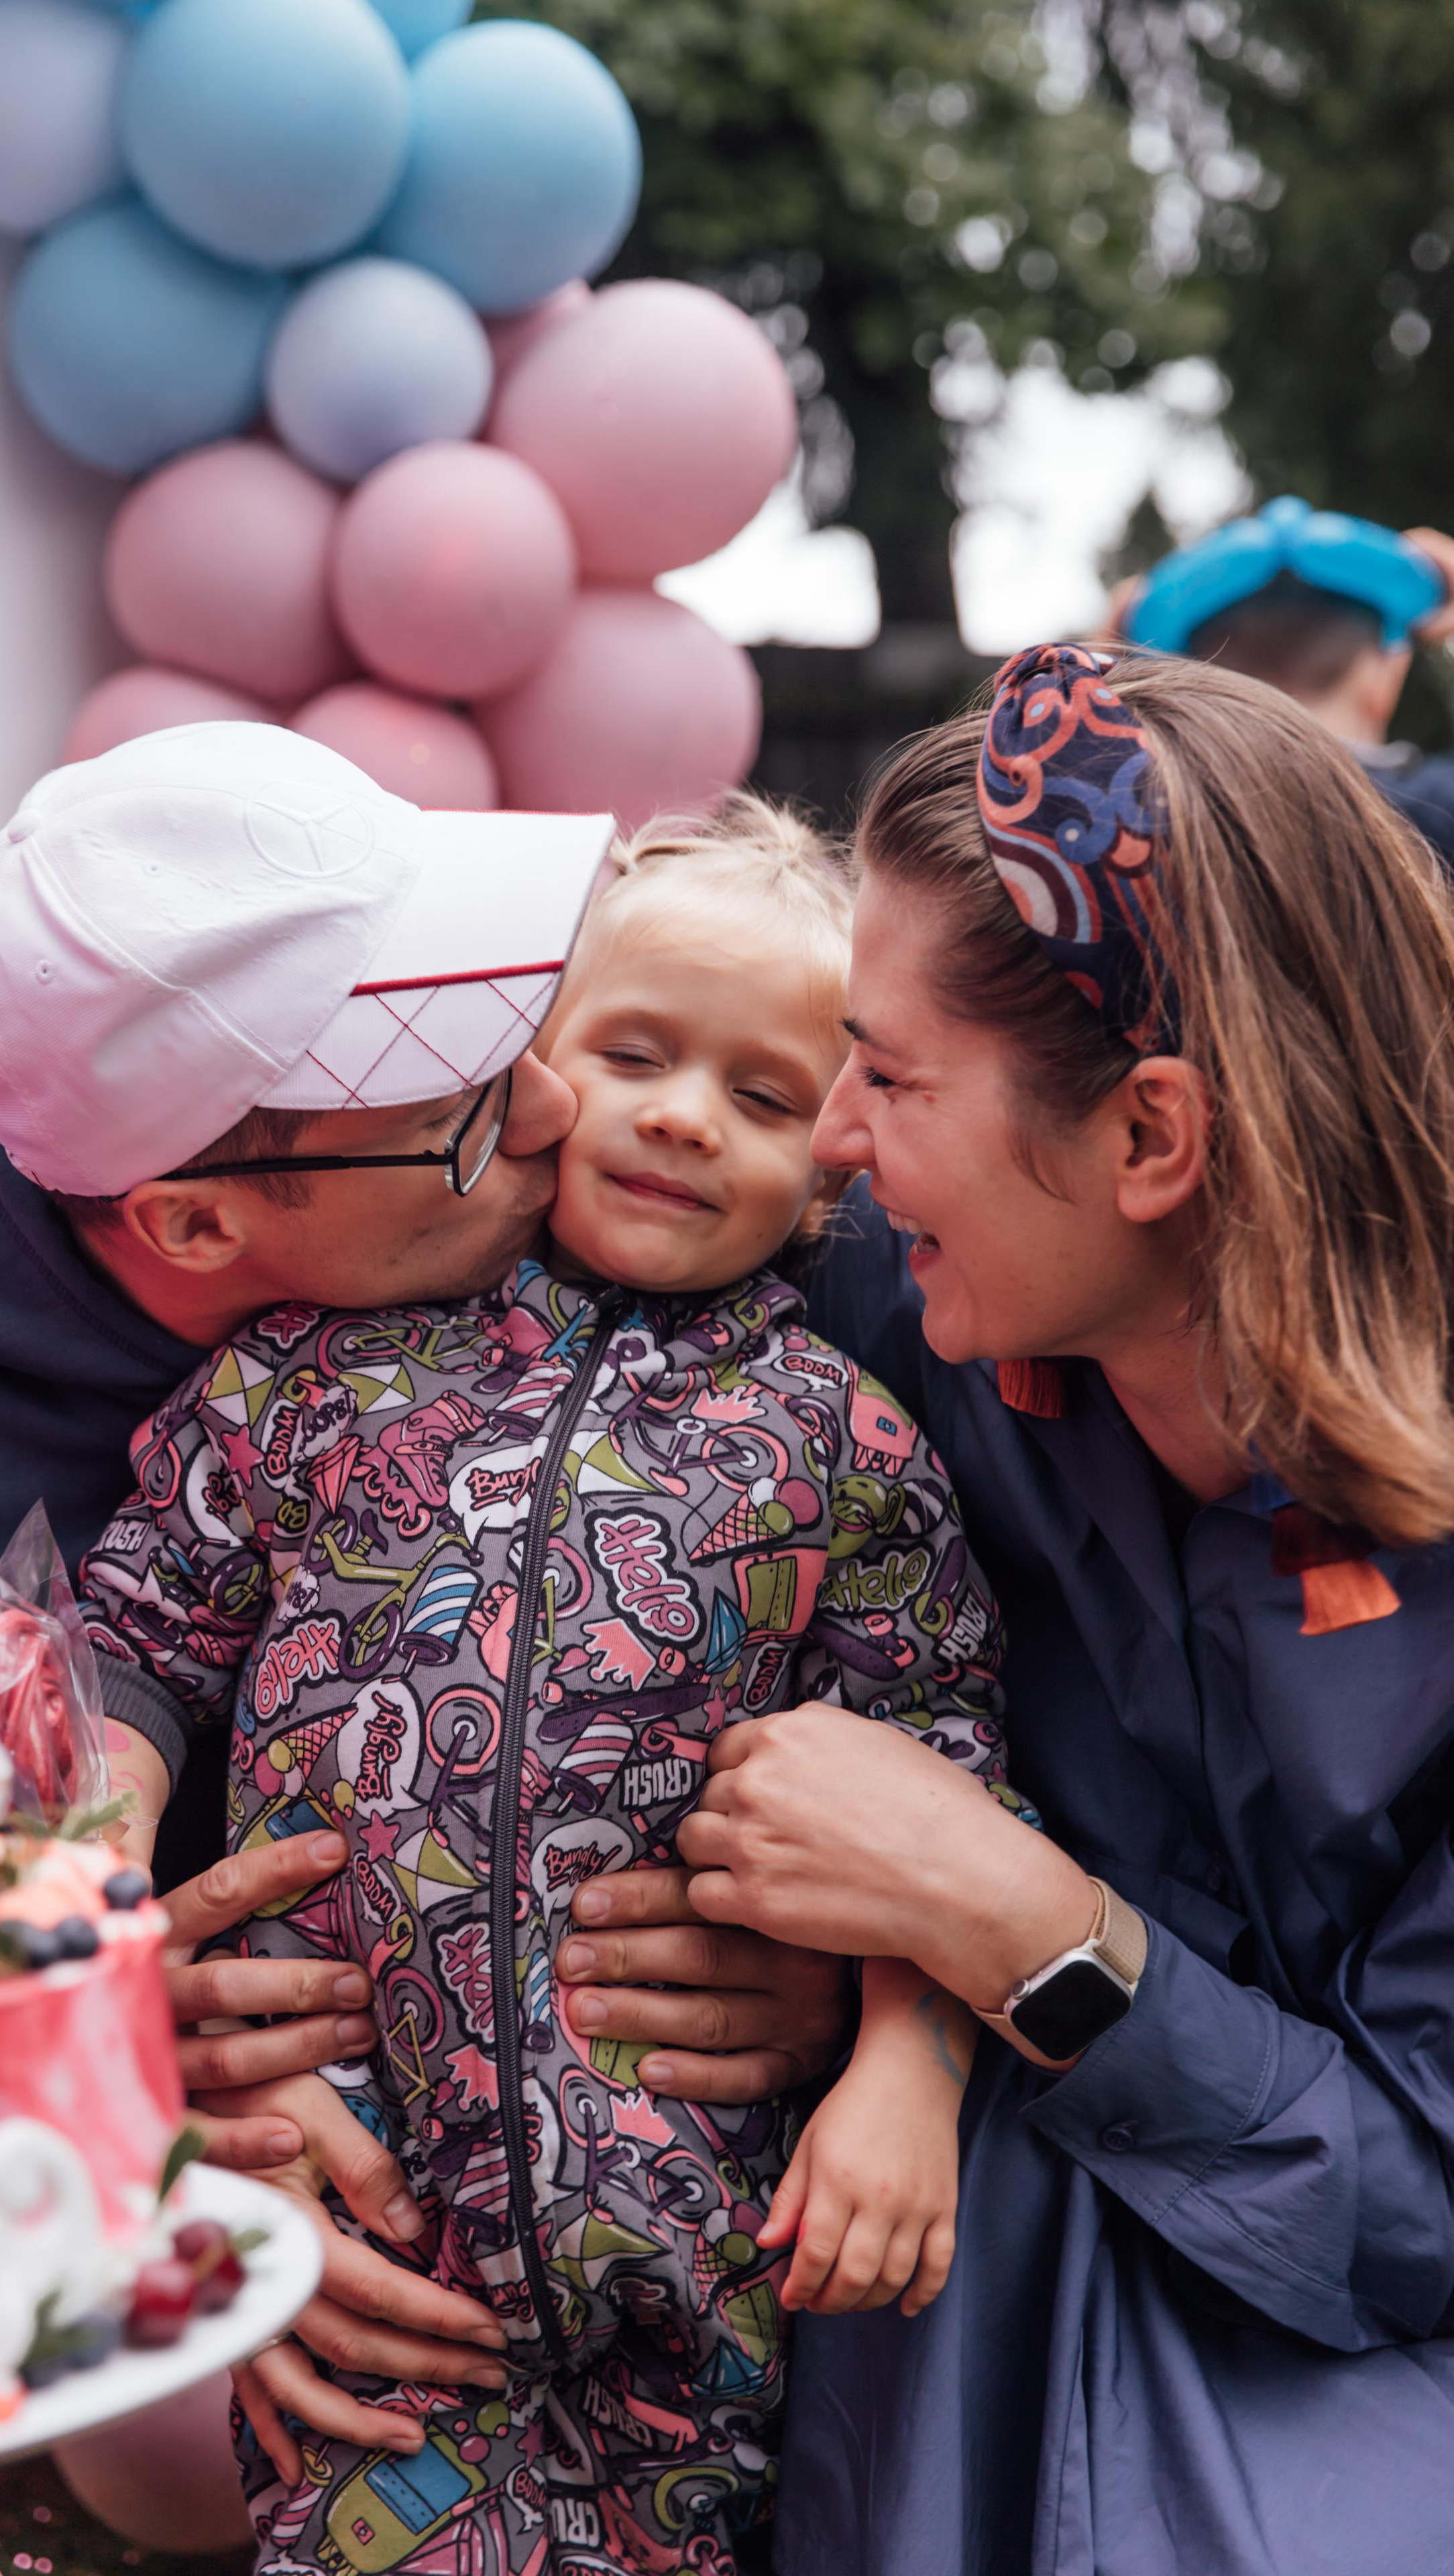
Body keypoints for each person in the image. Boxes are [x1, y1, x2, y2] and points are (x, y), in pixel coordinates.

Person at [77, 800, 1021, 2575]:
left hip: (699, 2238)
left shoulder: (846, 1440)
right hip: (361, 2206)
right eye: (635, 1053)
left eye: (762, 1094)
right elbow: (133, 1628)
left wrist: (906, 2069)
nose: (685, 1114)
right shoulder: (311, 1370)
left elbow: (941, 1759)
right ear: (527, 1073)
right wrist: (93, 1900)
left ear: (832, 1160)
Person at [670, 644, 1454, 2574]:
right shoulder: (878, 1305)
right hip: (938, 2254)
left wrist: (1013, 1920)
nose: (827, 1138)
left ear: (1151, 1140)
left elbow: (1420, 2202)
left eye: (891, 1075)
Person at [1119, 494, 1454, 863]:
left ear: (1194, 691)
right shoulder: (1441, 806)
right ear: (1386, 681)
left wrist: (1118, 661)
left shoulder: (1152, 825)